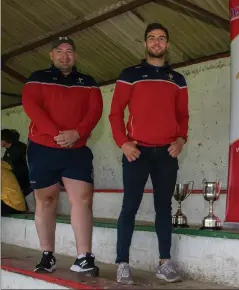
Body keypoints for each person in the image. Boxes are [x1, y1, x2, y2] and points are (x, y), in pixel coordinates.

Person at [109, 23, 189, 284]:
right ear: (145, 44)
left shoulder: (177, 79)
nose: (156, 42)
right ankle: (122, 264)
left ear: (167, 44)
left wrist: (181, 139)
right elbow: (115, 113)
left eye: (162, 38)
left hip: (166, 153)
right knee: (129, 207)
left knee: (163, 208)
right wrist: (123, 143)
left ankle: (165, 263)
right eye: (152, 38)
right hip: (136, 152)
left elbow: (183, 115)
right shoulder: (129, 74)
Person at [21, 36, 103, 276]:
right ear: (51, 55)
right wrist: (57, 134)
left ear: (75, 56)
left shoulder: (88, 82)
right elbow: (31, 106)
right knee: (45, 201)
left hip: (76, 150)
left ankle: (84, 257)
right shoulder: (36, 78)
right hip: (43, 148)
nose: (64, 55)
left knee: (84, 200)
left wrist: (77, 133)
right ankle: (47, 255)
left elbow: (95, 111)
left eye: (69, 51)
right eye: (59, 51)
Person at [1, 129, 32, 197]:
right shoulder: (9, 149)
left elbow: (8, 164)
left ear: (4, 139)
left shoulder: (18, 148)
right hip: (19, 182)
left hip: (26, 183)